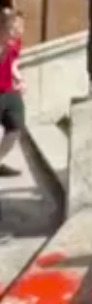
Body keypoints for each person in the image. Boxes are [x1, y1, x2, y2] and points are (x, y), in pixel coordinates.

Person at [0, 10, 25, 178]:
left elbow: (12, 66)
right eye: (11, 29)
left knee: (16, 126)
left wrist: (21, 80)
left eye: (18, 29)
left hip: (9, 90)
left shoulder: (14, 43)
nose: (15, 33)